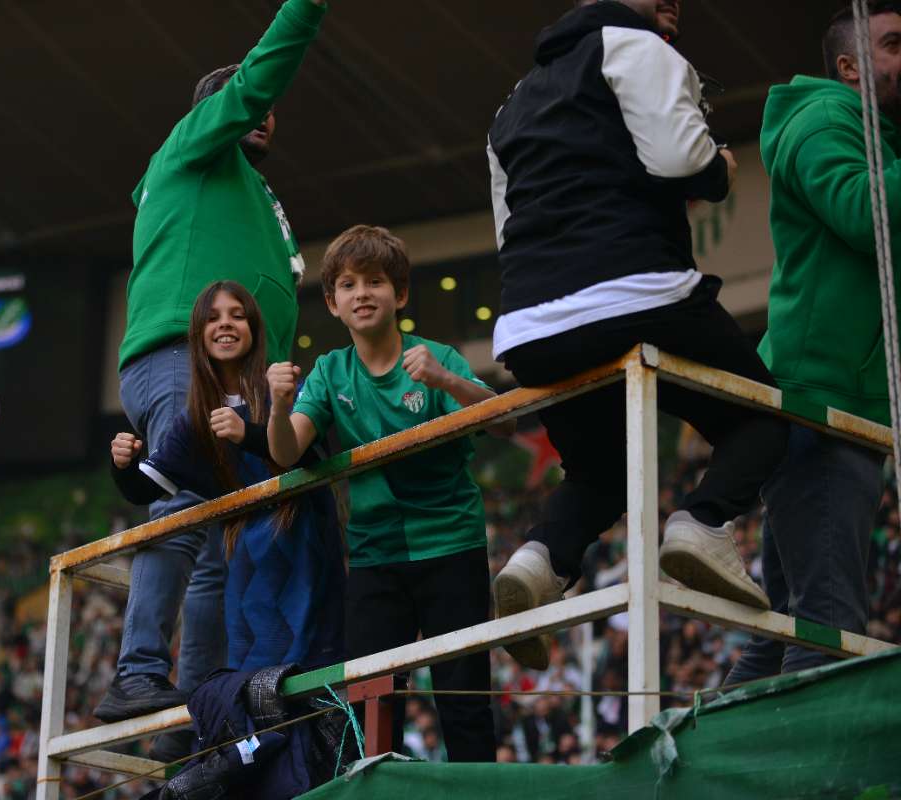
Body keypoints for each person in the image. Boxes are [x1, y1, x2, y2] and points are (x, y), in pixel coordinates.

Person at [485, 0, 788, 669]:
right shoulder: (634, 45)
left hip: (532, 326)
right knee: (763, 416)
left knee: (600, 469)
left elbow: (508, 230)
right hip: (635, 290)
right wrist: (721, 172)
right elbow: (682, 157)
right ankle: (703, 524)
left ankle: (537, 563)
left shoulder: (509, 106)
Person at [94, 0, 330, 758]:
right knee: (183, 504)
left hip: (238, 377)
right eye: (241, 100)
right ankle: (135, 673)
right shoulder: (190, 150)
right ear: (214, 113)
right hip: (178, 355)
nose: (260, 112)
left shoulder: (252, 195)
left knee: (212, 537)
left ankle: (189, 718)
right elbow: (256, 81)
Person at [265, 224, 507, 762]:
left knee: (464, 703)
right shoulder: (330, 371)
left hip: (451, 545)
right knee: (374, 708)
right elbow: (286, 451)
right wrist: (279, 407)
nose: (362, 293)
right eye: (348, 285)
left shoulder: (434, 356)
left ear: (399, 294)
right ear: (332, 303)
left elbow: (503, 420)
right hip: (375, 555)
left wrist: (446, 381)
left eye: (374, 281)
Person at [726, 3, 901, 682]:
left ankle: (698, 773)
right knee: (827, 622)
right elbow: (863, 213)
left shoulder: (879, 139)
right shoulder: (824, 120)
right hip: (821, 406)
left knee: (787, 626)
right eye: (893, 43)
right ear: (849, 66)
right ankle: (813, 789)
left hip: (832, 406)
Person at [110, 281, 344, 676]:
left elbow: (309, 456)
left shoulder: (284, 388)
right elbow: (143, 489)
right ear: (198, 334)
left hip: (306, 549)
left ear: (254, 329)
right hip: (247, 566)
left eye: (238, 316)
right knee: (254, 683)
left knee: (318, 672)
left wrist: (247, 434)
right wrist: (122, 464)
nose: (226, 325)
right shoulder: (193, 421)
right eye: (213, 317)